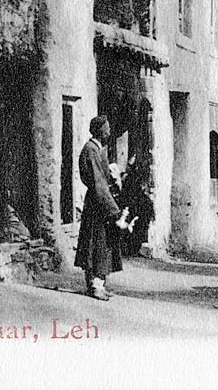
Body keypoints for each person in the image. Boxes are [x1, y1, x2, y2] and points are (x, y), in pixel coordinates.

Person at [75, 115, 128, 300]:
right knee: (95, 243)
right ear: (99, 130)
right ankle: (94, 286)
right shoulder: (91, 150)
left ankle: (100, 284)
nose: (109, 131)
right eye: (107, 128)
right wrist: (114, 210)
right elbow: (98, 184)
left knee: (103, 244)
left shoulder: (99, 149)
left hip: (101, 202)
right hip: (97, 204)